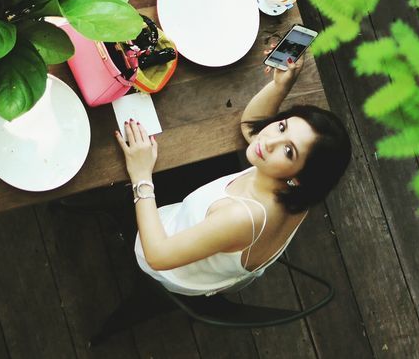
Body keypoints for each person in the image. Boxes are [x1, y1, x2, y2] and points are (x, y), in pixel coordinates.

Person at [115, 53, 351, 296]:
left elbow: (157, 255)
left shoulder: (239, 217)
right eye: (282, 126)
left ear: (301, 175)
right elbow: (251, 126)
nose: (269, 141)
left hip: (166, 259)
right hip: (218, 261)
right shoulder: (300, 188)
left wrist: (141, 176)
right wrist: (280, 86)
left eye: (289, 150)